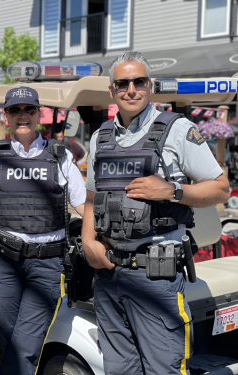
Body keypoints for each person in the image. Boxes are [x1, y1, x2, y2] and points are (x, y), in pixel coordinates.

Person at [81, 51, 230, 375]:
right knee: (119, 370)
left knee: (164, 369)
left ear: (149, 86)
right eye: (122, 83)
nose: (130, 89)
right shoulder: (100, 138)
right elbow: (92, 196)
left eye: (138, 82)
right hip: (108, 275)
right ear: (112, 90)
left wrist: (173, 191)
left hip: (156, 278)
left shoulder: (177, 130)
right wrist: (87, 240)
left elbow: (221, 189)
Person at [0, 87, 86, 375]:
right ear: (6, 116)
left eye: (29, 109)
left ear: (38, 114)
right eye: (15, 110)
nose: (23, 115)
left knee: (25, 345)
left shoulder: (61, 158)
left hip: (46, 265)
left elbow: (85, 207)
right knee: (7, 342)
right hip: (4, 263)